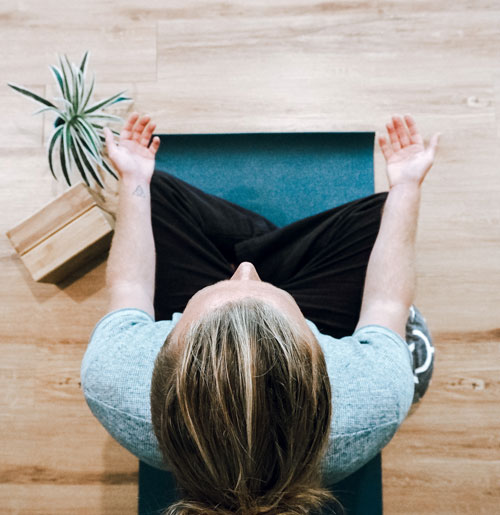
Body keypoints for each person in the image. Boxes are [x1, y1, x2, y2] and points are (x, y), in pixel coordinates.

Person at [81, 112, 440, 514]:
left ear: (161, 353)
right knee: (380, 215)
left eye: (229, 284)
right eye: (265, 291)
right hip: (337, 322)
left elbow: (130, 287)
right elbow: (386, 305)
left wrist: (133, 178)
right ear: (321, 357)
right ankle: (273, 244)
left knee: (155, 191)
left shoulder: (113, 378)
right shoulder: (372, 397)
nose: (246, 273)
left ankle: (260, 240)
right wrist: (407, 185)